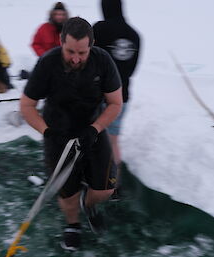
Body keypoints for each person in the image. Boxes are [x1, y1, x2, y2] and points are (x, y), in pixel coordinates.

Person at [20, 17, 122, 251]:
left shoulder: (103, 61)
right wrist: (47, 132)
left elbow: (116, 103)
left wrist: (94, 129)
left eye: (82, 53)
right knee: (68, 193)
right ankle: (73, 223)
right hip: (58, 132)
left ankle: (90, 204)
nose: (75, 58)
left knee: (105, 189)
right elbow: (26, 106)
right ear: (61, 42)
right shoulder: (48, 64)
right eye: (70, 51)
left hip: (91, 130)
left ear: (92, 46)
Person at [93, 0, 140, 195]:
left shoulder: (100, 29)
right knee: (112, 140)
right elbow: (132, 70)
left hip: (100, 96)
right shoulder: (135, 35)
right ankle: (114, 184)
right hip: (123, 96)